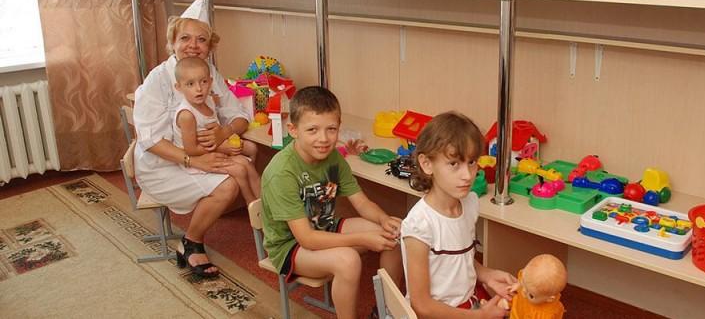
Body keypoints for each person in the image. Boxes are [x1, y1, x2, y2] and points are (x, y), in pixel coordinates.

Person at [261, 86, 402, 319]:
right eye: (312, 130)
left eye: (331, 129)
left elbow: (362, 203)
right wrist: (362, 239)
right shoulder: (281, 173)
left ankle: (385, 311)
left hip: (323, 226)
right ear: (293, 130)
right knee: (348, 261)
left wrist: (384, 219)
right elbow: (307, 239)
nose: (324, 139)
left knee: (392, 236)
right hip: (289, 246)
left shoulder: (333, 157)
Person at [133, 0, 250, 279]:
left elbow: (240, 115)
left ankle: (260, 216)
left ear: (210, 47)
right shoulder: (157, 80)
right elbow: (149, 139)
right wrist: (192, 159)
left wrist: (224, 132)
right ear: (172, 42)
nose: (193, 45)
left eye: (201, 39)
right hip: (162, 165)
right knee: (228, 184)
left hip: (198, 154)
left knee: (249, 154)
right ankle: (191, 243)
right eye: (185, 38)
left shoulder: (210, 74)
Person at [402, 111, 517, 318]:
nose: (467, 175)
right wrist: (480, 316)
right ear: (427, 164)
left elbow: (459, 261)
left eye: (471, 162)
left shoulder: (470, 203)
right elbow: (421, 305)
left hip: (467, 303)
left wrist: (487, 275)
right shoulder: (419, 224)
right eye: (454, 164)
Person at [172, 56, 260, 204]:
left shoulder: (209, 100)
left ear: (211, 81)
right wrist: (222, 148)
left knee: (251, 149)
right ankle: (251, 204)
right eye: (190, 84)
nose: (199, 88)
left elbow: (216, 125)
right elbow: (191, 150)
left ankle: (264, 201)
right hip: (199, 159)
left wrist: (223, 138)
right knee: (241, 169)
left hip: (214, 147)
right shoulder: (187, 115)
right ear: (179, 87)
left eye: (203, 82)